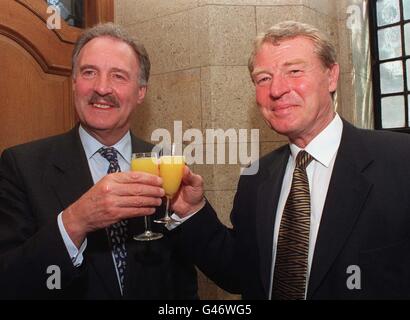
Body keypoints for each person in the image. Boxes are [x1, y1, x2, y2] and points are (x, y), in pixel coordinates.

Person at [171, 21, 410, 299]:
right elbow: (241, 273)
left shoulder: (401, 162)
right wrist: (192, 211)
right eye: (263, 78)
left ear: (331, 76)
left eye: (294, 71)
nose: (277, 89)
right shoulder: (255, 177)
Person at [0, 23, 197, 299]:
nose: (102, 88)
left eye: (118, 76)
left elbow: (184, 281)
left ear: (141, 92)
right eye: (89, 72)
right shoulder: (21, 166)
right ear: (73, 83)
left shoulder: (167, 164)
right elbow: (9, 283)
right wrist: (75, 222)